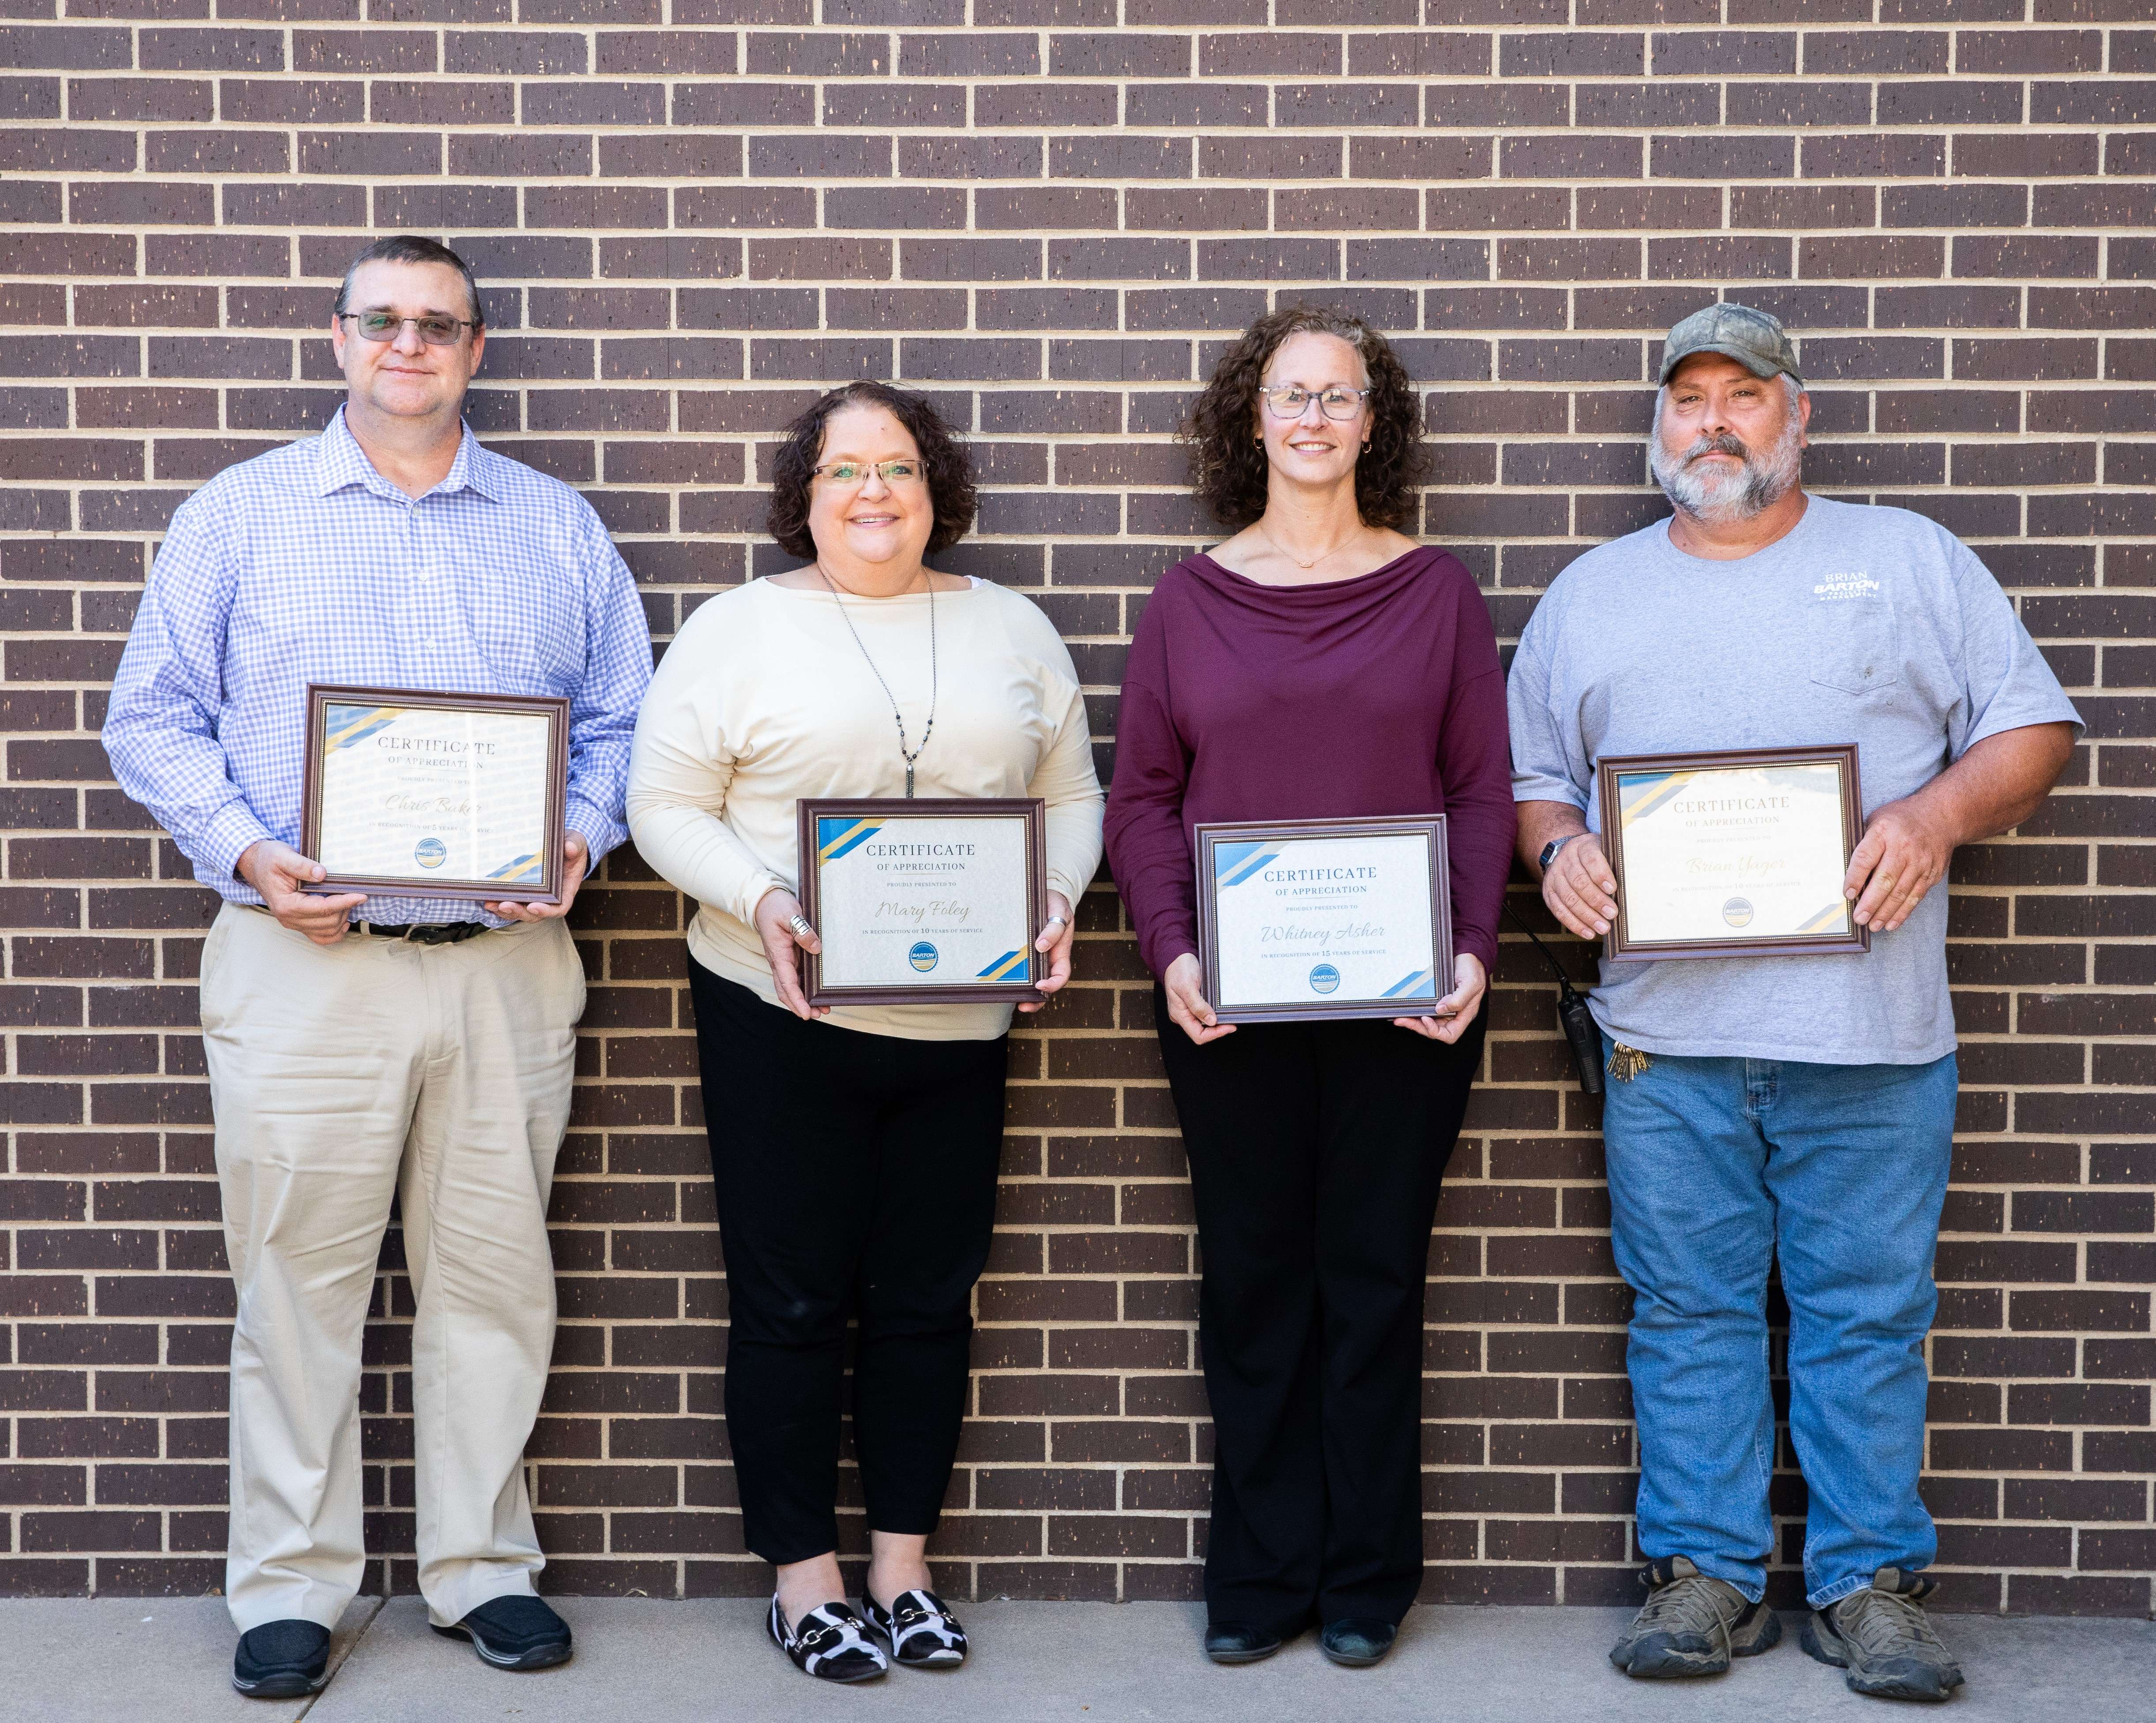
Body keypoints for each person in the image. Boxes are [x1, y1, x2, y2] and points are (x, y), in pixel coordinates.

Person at [100, 236, 652, 1698]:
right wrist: (244, 851)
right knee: (296, 1280)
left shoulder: (553, 524)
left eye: (440, 326)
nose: (409, 345)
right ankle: (293, 1583)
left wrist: (584, 838)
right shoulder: (241, 514)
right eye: (382, 322)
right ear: (338, 341)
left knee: (494, 1277)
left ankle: (482, 1570)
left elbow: (620, 721)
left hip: (505, 961)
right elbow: (149, 718)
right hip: (303, 960)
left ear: (476, 353)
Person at [1510, 302, 2080, 1704]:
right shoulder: (1593, 592)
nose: (1713, 420)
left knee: (1868, 1310)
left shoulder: (1906, 561)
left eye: (1743, 396)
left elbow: (2035, 730)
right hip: (1668, 1042)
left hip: (1871, 1038)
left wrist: (1938, 816)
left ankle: (1868, 1583)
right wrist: (1558, 853)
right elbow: (1535, 783)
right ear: (1659, 427)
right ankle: (1703, 1576)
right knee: (1686, 1310)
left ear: (1797, 414)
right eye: (1689, 398)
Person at [626, 380, 1103, 1684]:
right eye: (845, 471)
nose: (874, 492)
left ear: (935, 483)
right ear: (807, 494)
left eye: (897, 466)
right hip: (778, 1011)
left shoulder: (1012, 626)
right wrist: (764, 895)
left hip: (959, 1024)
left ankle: (903, 1570)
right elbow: (663, 802)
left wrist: (1055, 898)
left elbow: (1071, 791)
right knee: (788, 1299)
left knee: (926, 1301)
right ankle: (805, 1580)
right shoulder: (737, 629)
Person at [1102, 307, 1514, 1668]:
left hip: (1407, 1005)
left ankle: (1363, 1581)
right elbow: (1145, 799)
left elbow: (1476, 785)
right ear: (1254, 418)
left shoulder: (1438, 592)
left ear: (1372, 420)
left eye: (1342, 395)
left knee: (1377, 1278)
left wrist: (1471, 951)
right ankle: (1261, 1577)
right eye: (1293, 394)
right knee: (1258, 1281)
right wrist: (1172, 952)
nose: (1316, 417)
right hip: (1234, 1006)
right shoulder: (1187, 599)